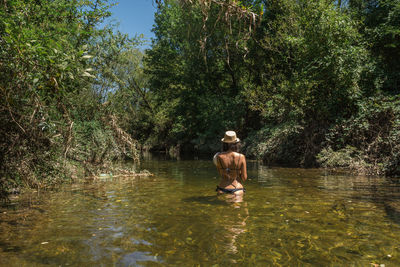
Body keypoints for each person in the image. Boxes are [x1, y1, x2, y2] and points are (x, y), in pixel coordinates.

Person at [213, 131, 247, 196]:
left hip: (222, 188)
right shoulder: (241, 157)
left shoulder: (218, 157)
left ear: (224, 143)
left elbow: (221, 173)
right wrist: (237, 172)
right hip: (237, 189)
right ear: (236, 143)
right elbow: (244, 178)